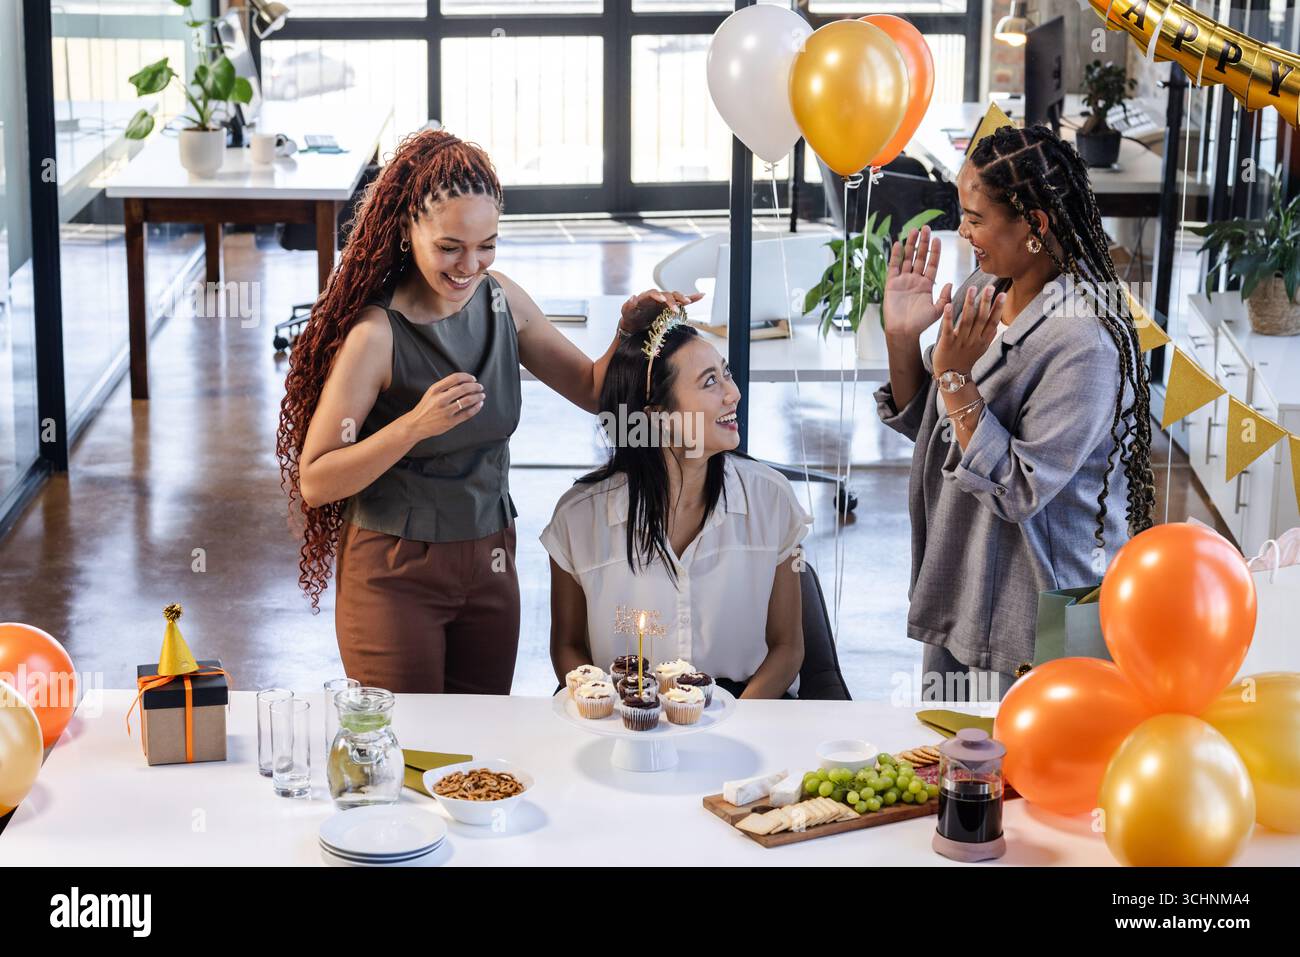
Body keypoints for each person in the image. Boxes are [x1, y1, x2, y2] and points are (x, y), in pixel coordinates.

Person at [276, 129, 698, 694]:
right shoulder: (376, 336)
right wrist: (413, 426)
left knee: (482, 752)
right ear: (407, 229)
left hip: (492, 559)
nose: (469, 266)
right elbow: (317, 480)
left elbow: (593, 389)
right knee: (412, 750)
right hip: (393, 572)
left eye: (486, 246)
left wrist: (629, 331)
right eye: (449, 247)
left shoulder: (503, 301)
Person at [876, 124, 1155, 701]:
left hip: (1034, 615)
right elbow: (931, 427)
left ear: (1034, 223)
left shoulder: (1085, 343)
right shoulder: (987, 286)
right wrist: (903, 341)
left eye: (976, 218)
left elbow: (1018, 489)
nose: (963, 230)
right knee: (947, 771)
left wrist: (955, 379)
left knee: (1023, 780)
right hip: (960, 583)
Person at [543, 312, 810, 699]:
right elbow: (567, 648)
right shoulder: (578, 518)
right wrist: (609, 709)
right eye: (710, 382)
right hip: (624, 709)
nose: (733, 393)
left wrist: (731, 724)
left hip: (747, 706)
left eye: (726, 373)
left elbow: (788, 648)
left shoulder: (771, 497)